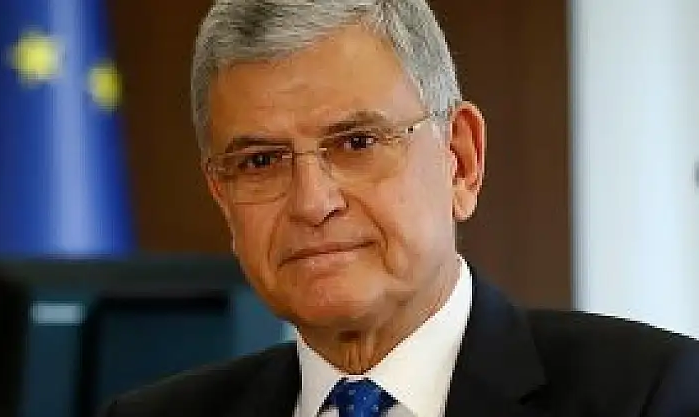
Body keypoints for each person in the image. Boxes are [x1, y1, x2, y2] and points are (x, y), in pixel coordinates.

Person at [97, 1, 699, 416]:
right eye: (261, 161)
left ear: (460, 159)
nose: (313, 203)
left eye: (357, 143)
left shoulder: (651, 395)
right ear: (223, 199)